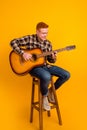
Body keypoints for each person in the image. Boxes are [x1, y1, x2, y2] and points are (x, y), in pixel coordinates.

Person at [10, 22, 70, 111]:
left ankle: (50, 92)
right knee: (46, 76)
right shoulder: (30, 38)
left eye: (46, 33)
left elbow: (50, 60)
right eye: (43, 33)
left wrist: (53, 57)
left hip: (45, 66)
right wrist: (23, 53)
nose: (45, 35)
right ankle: (44, 96)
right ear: (37, 32)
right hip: (34, 68)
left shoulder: (48, 43)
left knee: (66, 74)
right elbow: (13, 42)